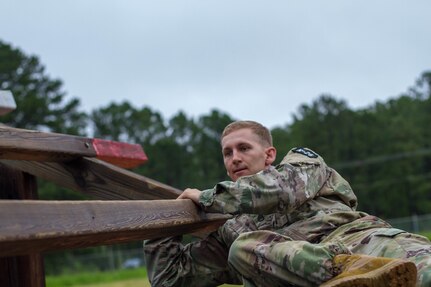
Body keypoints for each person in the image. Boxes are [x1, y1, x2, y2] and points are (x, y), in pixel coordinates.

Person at [145, 120, 431, 286]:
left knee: (425, 272)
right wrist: (163, 219)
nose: (234, 158)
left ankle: (356, 271)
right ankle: (345, 274)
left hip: (362, 241)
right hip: (312, 274)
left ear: (269, 155)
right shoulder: (233, 228)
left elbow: (277, 190)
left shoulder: (303, 165)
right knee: (243, 249)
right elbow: (170, 277)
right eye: (227, 153)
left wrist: (207, 197)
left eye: (244, 148)